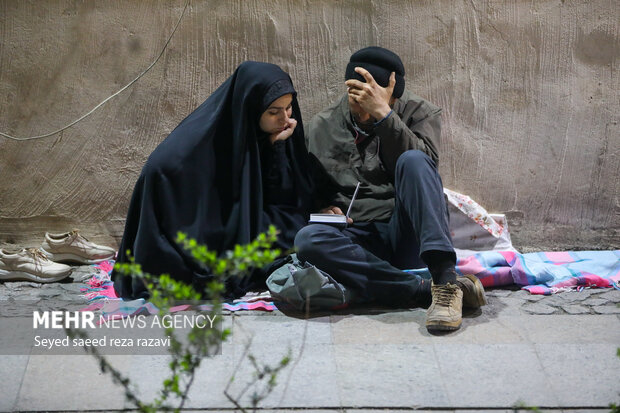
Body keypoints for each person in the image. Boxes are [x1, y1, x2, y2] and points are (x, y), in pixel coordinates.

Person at [295, 47, 486, 332]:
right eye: (356, 99)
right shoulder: (321, 127)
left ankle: (445, 280)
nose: (362, 110)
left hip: (404, 233)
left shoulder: (419, 113)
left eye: (372, 100)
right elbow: (309, 190)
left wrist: (385, 117)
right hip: (355, 240)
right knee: (307, 239)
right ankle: (423, 290)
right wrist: (323, 208)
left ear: (394, 95)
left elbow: (426, 172)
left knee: (414, 159)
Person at [113, 61, 313, 300]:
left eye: (289, 107)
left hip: (237, 220)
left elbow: (281, 196)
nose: (285, 118)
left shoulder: (269, 131)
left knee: (298, 231)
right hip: (198, 230)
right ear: (250, 107)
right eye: (273, 111)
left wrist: (276, 147)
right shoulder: (187, 154)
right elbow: (195, 205)